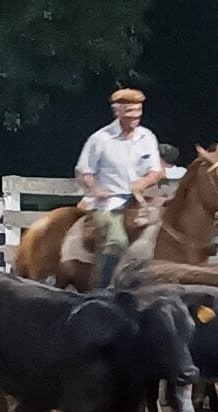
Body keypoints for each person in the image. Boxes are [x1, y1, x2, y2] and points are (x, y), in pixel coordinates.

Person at [75, 88, 164, 287]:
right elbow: (84, 171)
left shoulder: (147, 137)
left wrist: (141, 184)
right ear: (118, 112)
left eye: (138, 111)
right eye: (130, 111)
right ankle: (104, 288)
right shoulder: (100, 139)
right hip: (108, 202)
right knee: (117, 241)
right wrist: (97, 189)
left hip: (139, 200)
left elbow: (156, 171)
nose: (135, 116)